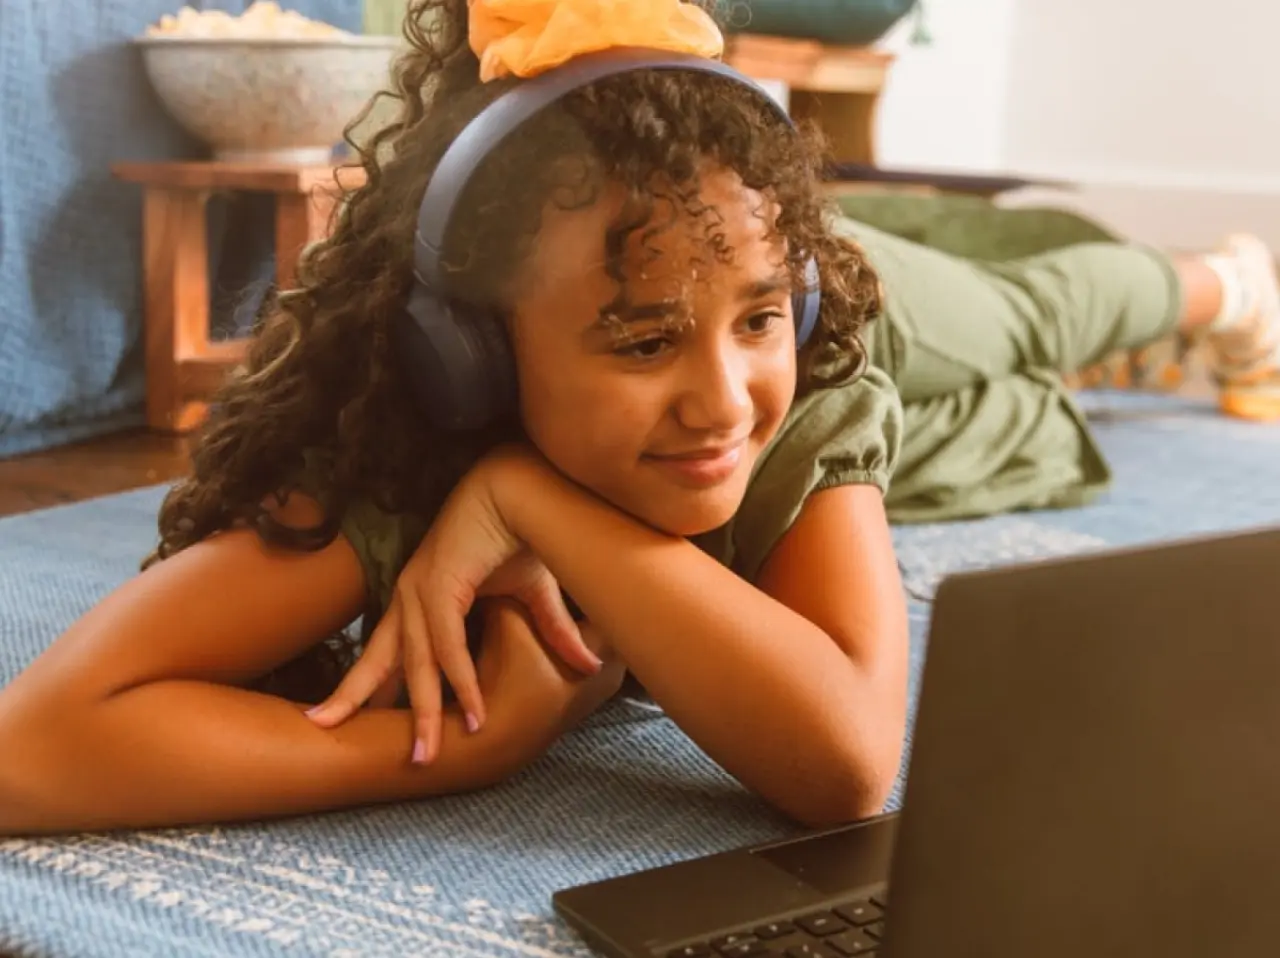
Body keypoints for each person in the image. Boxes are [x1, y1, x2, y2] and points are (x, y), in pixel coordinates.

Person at [0, 0, 1277, 837]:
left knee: (1019, 307)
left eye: (751, 324)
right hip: (872, 435)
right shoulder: (396, 451)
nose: (716, 393)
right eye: (640, 336)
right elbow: (31, 752)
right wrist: (444, 753)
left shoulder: (797, 370)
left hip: (858, 347)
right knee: (1030, 436)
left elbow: (843, 764)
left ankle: (1224, 288)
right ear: (472, 358)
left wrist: (536, 501)